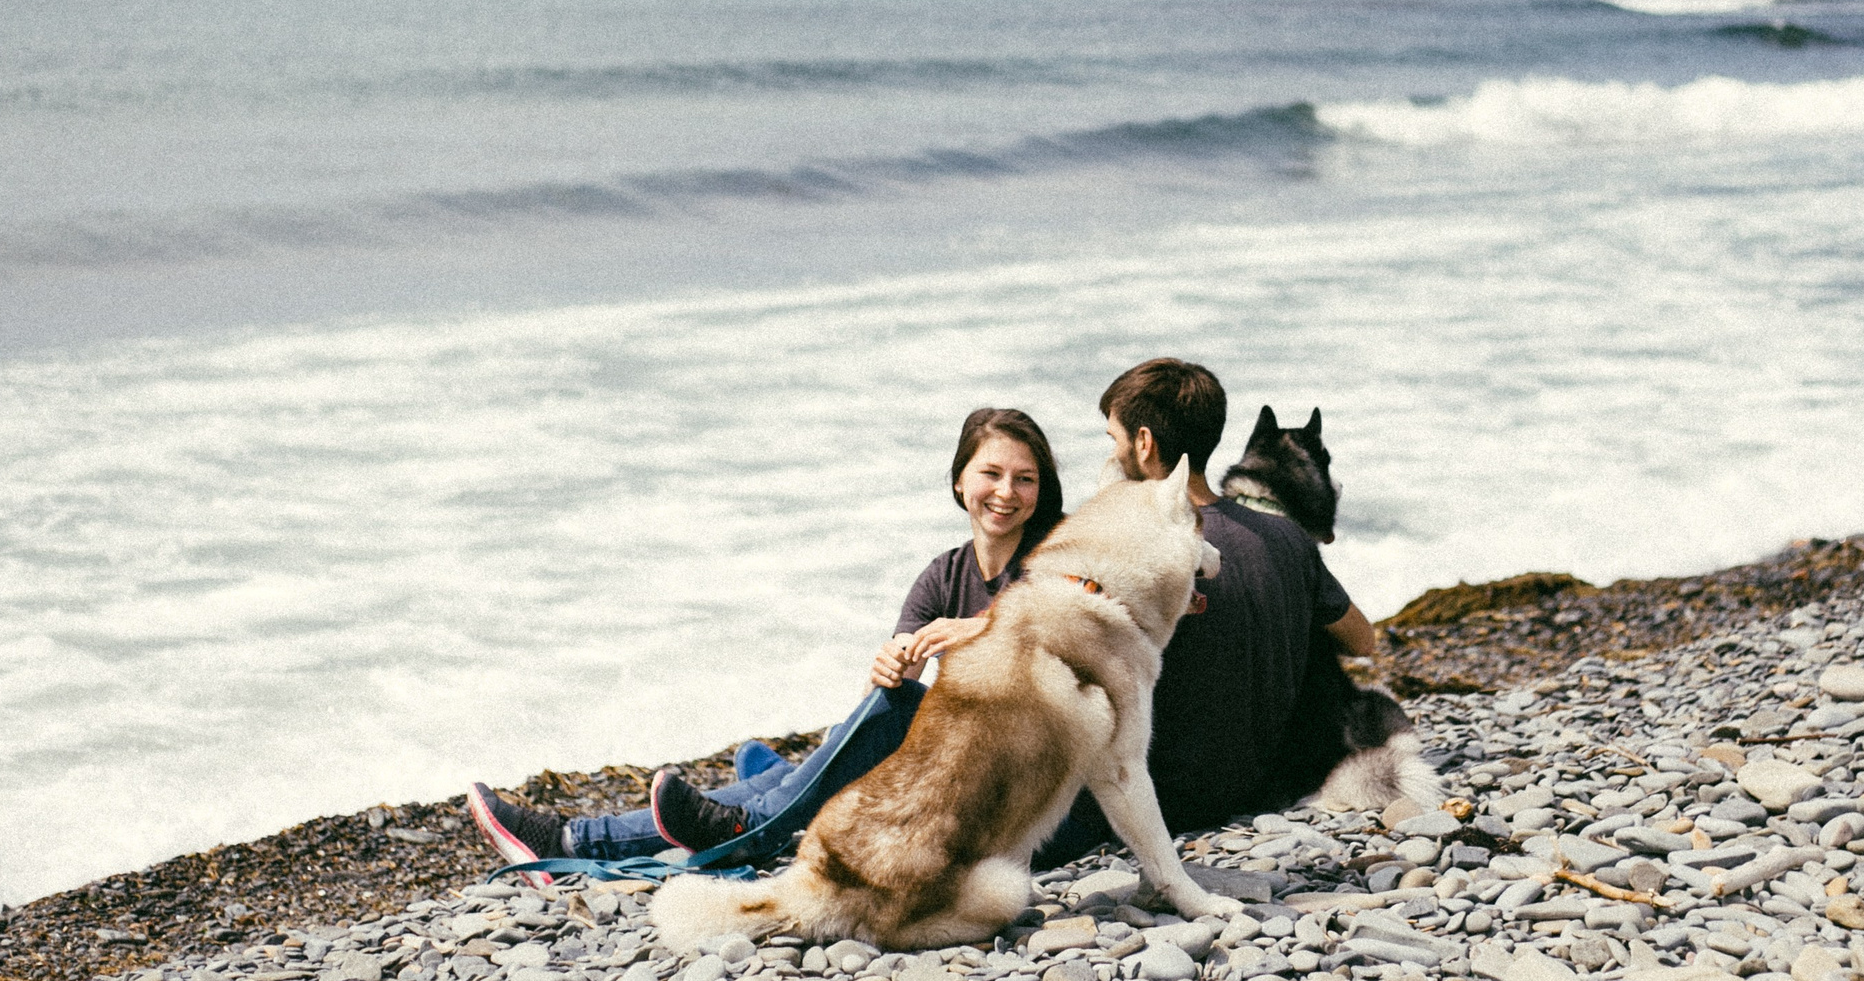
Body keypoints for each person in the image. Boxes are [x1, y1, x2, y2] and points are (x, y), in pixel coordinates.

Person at [466, 406, 1064, 872]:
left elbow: (1072, 644)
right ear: (960, 480)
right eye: (991, 472)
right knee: (869, 717)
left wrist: (984, 628)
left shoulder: (1055, 559)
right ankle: (581, 838)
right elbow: (876, 705)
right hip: (944, 771)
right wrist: (891, 665)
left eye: (1024, 478)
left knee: (806, 767)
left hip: (1023, 793)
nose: (1006, 492)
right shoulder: (943, 574)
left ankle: (743, 827)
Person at [1025, 358, 1375, 866]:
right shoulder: (1286, 537)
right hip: (1255, 788)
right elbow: (1363, 640)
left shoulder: (1139, 546)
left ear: (1143, 443)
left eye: (1113, 438)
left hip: (1147, 805)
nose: (1113, 451)